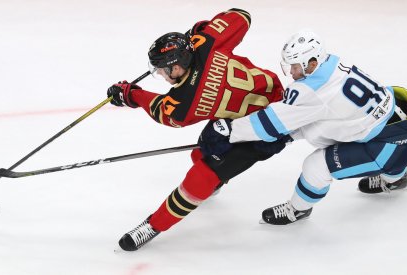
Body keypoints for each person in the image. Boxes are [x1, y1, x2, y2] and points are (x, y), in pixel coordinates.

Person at [107, 8, 288, 251]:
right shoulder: (206, 43)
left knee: (200, 178)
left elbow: (160, 109)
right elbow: (241, 15)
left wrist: (130, 94)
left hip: (267, 129)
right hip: (269, 93)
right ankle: (216, 181)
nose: (160, 75)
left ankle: (154, 225)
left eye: (162, 70)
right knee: (203, 149)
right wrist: (200, 31)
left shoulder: (183, 104)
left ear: (178, 66)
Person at [203, 30, 407, 225]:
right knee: (366, 138)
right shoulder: (332, 64)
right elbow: (326, 118)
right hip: (405, 123)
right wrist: (289, 135)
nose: (291, 72)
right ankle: (396, 178)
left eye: (294, 66)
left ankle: (297, 209)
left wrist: (229, 129)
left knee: (316, 166)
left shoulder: (311, 91)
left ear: (311, 63)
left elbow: (267, 124)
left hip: (389, 147)